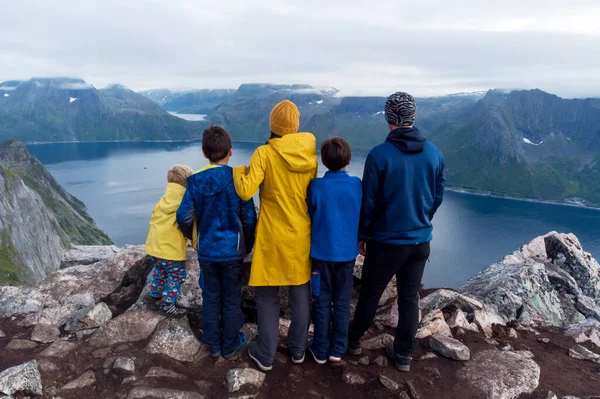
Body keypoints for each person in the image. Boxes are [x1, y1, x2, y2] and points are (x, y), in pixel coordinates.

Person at [347, 92, 445, 373]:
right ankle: (403, 354)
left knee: (370, 294)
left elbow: (369, 201)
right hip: (419, 240)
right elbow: (437, 196)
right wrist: (423, 219)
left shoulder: (380, 155)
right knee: (409, 298)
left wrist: (363, 235)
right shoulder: (434, 153)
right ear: (413, 117)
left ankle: (353, 342)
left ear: (388, 118)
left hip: (386, 241)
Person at [232, 100, 318, 371]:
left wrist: (237, 171)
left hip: (271, 234)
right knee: (300, 293)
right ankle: (298, 350)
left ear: (272, 125)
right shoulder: (309, 155)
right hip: (301, 233)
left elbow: (245, 191)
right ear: (295, 126)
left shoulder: (263, 153)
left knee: (267, 295)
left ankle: (266, 354)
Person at [177, 126, 257, 359]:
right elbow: (249, 218)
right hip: (233, 252)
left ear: (204, 153)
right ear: (230, 152)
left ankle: (213, 345)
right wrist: (247, 245)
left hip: (207, 251)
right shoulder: (238, 180)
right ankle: (230, 344)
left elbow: (183, 216)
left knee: (211, 297)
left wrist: (192, 237)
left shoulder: (195, 181)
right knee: (231, 297)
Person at [307, 137, 362, 365]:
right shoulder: (357, 184)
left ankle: (319, 350)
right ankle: (337, 349)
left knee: (321, 300)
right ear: (348, 160)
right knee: (341, 301)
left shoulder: (316, 186)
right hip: (347, 255)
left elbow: (310, 213)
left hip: (321, 256)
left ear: (323, 160)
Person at [145, 164, 195, 318]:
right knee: (177, 275)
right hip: (170, 250)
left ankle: (155, 296)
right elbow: (187, 223)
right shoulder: (184, 203)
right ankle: (168, 304)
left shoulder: (163, 200)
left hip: (154, 246)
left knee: (160, 270)